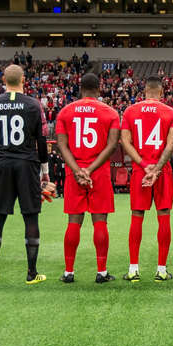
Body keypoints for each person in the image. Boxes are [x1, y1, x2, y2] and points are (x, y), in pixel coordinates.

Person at [0, 64, 51, 285]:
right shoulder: (33, 105)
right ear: (23, 79)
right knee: (30, 215)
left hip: (2, 162)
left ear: (4, 79)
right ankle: (32, 273)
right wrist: (45, 170)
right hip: (27, 164)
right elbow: (42, 138)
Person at [55, 73, 120, 283]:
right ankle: (101, 272)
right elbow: (111, 146)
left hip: (74, 172)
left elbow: (62, 145)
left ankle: (68, 272)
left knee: (74, 221)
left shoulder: (65, 112)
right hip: (98, 172)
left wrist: (77, 170)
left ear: (80, 88)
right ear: (99, 89)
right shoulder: (110, 113)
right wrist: (90, 170)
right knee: (100, 221)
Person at [118, 75, 173, 282]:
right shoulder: (171, 112)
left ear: (144, 91)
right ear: (161, 92)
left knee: (137, 217)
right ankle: (161, 270)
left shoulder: (130, 111)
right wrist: (157, 169)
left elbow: (125, 143)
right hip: (163, 171)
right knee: (164, 216)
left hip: (140, 171)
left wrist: (145, 166)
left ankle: (133, 269)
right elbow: (171, 144)